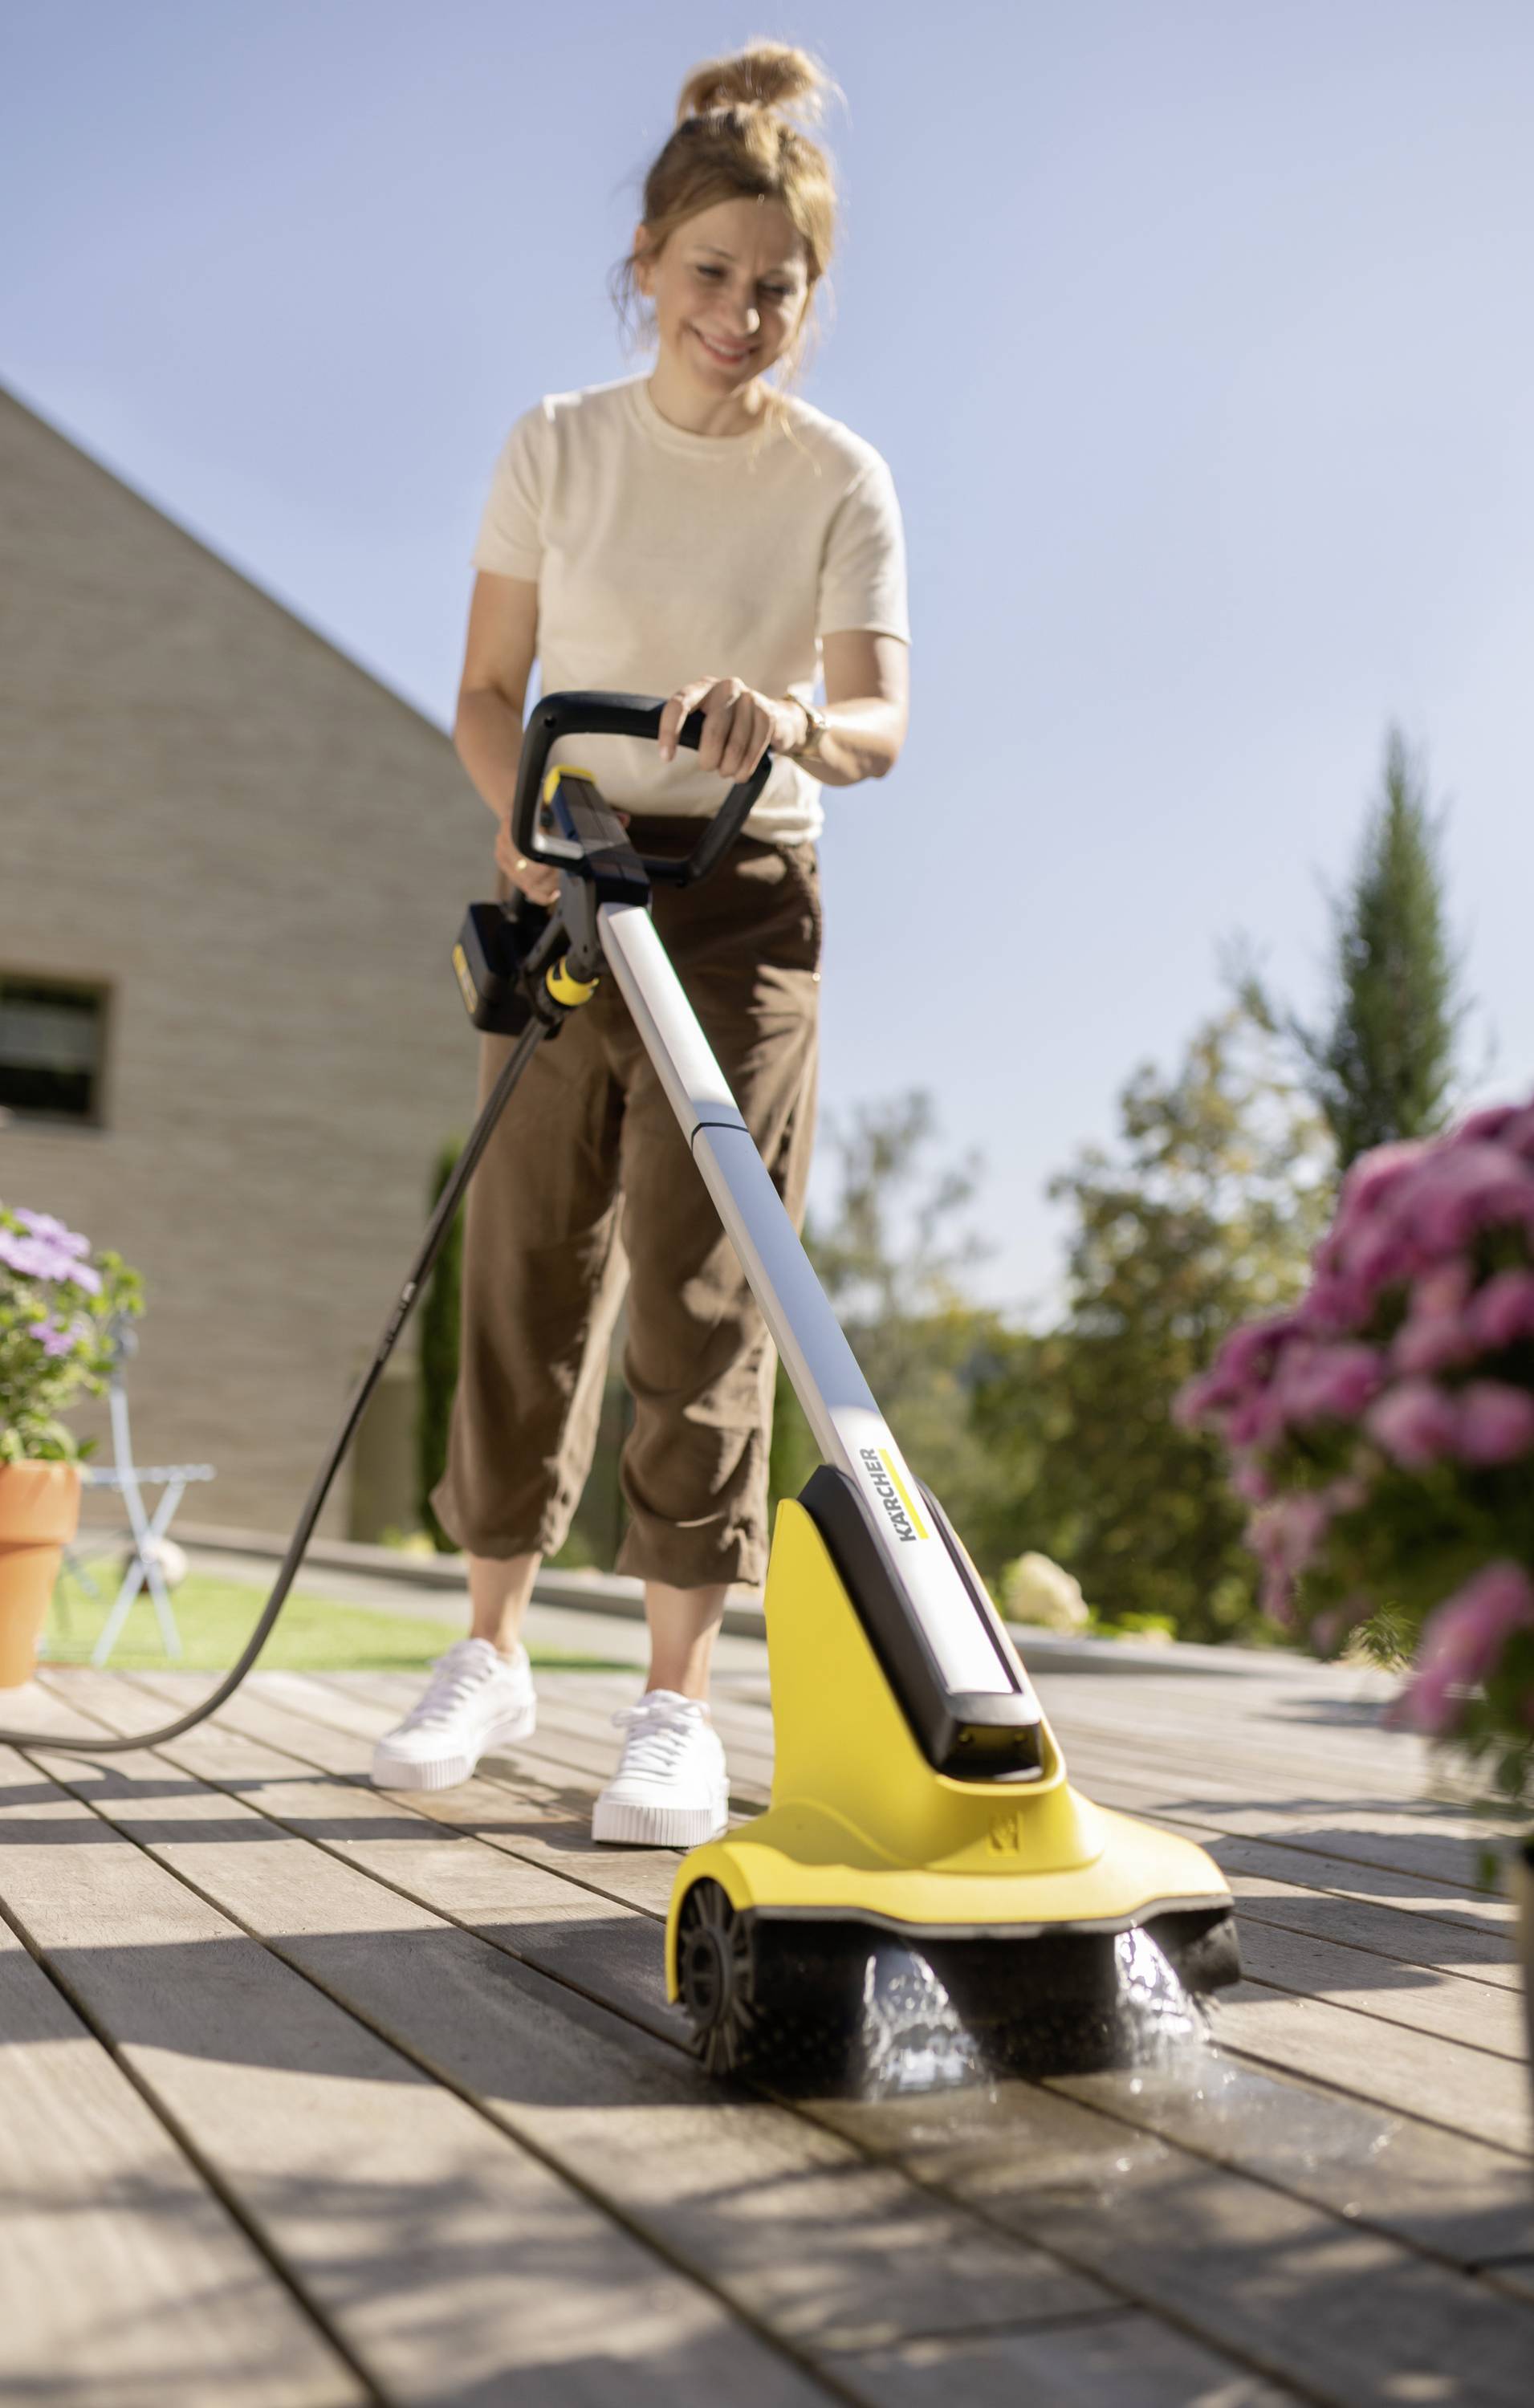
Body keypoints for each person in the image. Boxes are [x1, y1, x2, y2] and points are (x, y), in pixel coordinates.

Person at [370, 41, 910, 1838]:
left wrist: (785, 720)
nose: (741, 315)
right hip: (567, 882)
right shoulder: (555, 446)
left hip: (743, 903)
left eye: (777, 288)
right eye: (710, 276)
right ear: (646, 261)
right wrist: (522, 830)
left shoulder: (840, 481)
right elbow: (481, 692)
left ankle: (671, 1703)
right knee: (522, 1266)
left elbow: (879, 724)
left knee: (703, 1284)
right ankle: (494, 1648)